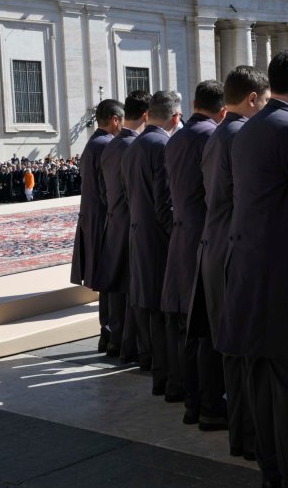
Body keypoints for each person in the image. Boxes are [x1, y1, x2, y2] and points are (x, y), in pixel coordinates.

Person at [219, 51, 288, 488]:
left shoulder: (243, 130)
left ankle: (273, 472)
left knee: (259, 382)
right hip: (285, 274)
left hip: (246, 269)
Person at [191, 66, 270, 461]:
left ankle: (242, 434)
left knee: (233, 351)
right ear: (253, 99)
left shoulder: (221, 132)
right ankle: (250, 436)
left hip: (215, 246)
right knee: (244, 352)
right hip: (233, 251)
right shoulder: (242, 134)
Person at [161, 81, 227, 430]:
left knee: (189, 328)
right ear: (222, 109)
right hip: (206, 242)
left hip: (182, 239)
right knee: (208, 332)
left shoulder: (177, 139)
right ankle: (211, 406)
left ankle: (193, 402)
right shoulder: (212, 138)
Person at [122, 91, 183, 398]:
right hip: (159, 242)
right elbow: (164, 203)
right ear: (174, 117)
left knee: (153, 317)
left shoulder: (134, 146)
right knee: (165, 317)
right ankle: (172, 382)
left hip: (139, 237)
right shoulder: (162, 145)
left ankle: (161, 379)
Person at [95, 91, 150, 363]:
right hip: (133, 225)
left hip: (114, 223)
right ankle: (134, 346)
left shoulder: (110, 147)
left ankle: (115, 340)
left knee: (117, 289)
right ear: (146, 115)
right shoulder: (138, 146)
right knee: (133, 291)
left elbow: (104, 192)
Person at [71, 99, 122, 352]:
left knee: (104, 282)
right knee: (111, 281)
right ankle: (112, 336)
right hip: (104, 221)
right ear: (115, 119)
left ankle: (106, 335)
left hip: (92, 220)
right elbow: (106, 190)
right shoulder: (107, 145)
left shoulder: (92, 143)